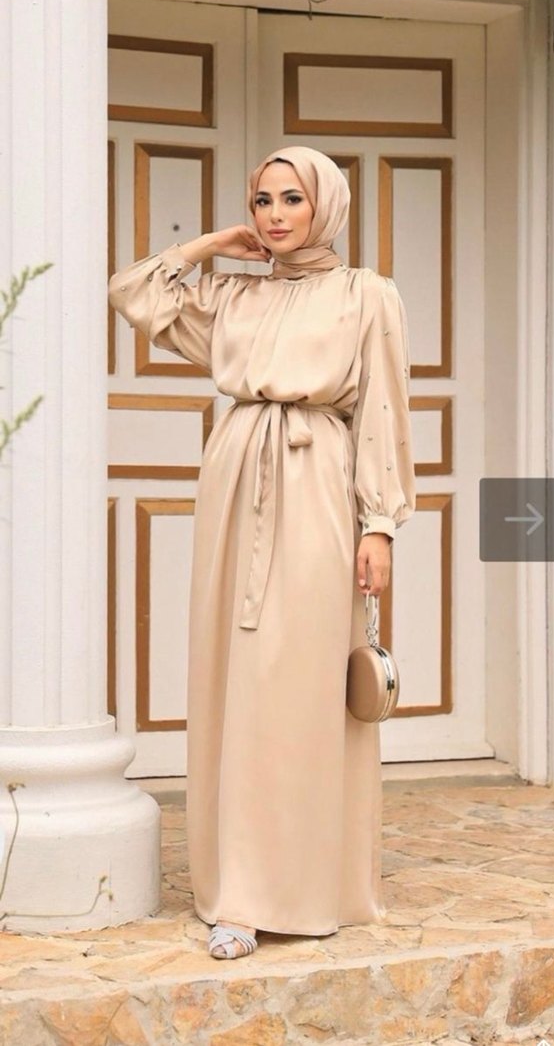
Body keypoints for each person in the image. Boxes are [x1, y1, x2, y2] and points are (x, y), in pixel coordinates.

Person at [108, 146, 416, 960]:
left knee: (299, 681)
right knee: (235, 680)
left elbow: (383, 408)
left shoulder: (366, 294)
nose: (275, 214)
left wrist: (379, 523)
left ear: (326, 206)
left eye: (292, 199)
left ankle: (311, 882)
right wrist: (211, 245)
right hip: (235, 478)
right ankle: (238, 892)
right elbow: (132, 292)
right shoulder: (233, 296)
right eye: (262, 200)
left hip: (318, 484)